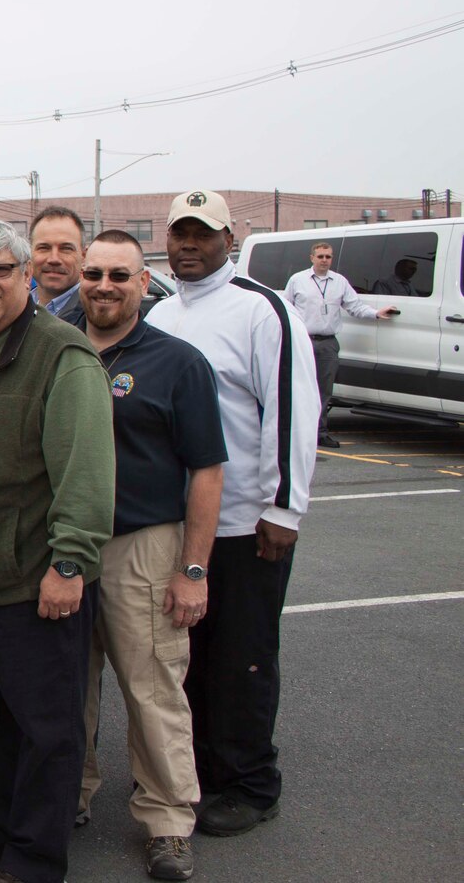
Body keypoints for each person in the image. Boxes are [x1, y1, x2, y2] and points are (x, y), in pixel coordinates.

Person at [0, 220, 115, 883]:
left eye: (0, 270)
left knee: (47, 731)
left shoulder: (64, 356)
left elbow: (85, 473)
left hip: (34, 582)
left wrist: (69, 566)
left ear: (26, 276)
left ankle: (36, 858)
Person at [145, 190, 318, 838]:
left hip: (249, 523)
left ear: (229, 237)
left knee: (242, 657)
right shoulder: (162, 316)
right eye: (180, 234)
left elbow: (294, 412)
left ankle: (251, 781)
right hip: (180, 525)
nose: (189, 246)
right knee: (188, 655)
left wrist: (285, 508)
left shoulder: (263, 310)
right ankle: (205, 771)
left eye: (203, 234)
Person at [75, 231, 228, 882]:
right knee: (65, 689)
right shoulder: (57, 347)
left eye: (119, 275)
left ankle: (167, 819)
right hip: (64, 546)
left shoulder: (178, 363)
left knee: (153, 686)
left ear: (144, 283)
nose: (104, 285)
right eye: (93, 273)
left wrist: (192, 569)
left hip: (143, 545)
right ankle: (68, 795)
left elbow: (207, 472)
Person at [283, 242, 395, 447]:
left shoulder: (339, 282)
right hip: (303, 342)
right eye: (320, 256)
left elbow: (355, 306)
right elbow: (286, 309)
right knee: (299, 388)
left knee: (324, 391)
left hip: (327, 344)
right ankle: (297, 434)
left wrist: (376, 313)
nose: (324, 260)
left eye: (328, 256)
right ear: (312, 258)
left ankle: (320, 432)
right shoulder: (298, 280)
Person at [28, 207, 86, 324]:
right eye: (44, 248)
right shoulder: (13, 310)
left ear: (83, 256)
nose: (54, 259)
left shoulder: (95, 317)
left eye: (66, 249)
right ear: (29, 254)